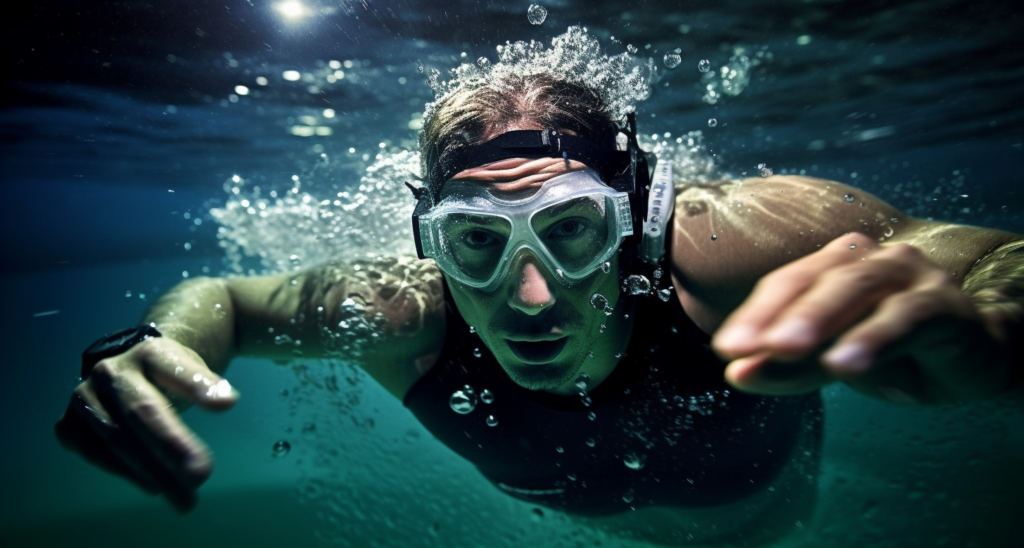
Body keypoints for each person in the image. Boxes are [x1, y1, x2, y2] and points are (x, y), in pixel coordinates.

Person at [55, 73, 1023, 545]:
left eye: (570, 230)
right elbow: (222, 301)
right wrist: (160, 340)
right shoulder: (399, 313)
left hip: (768, 514)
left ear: (635, 223)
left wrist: (999, 320)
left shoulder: (732, 252)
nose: (528, 298)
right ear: (430, 238)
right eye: (477, 239)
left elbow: (978, 259)